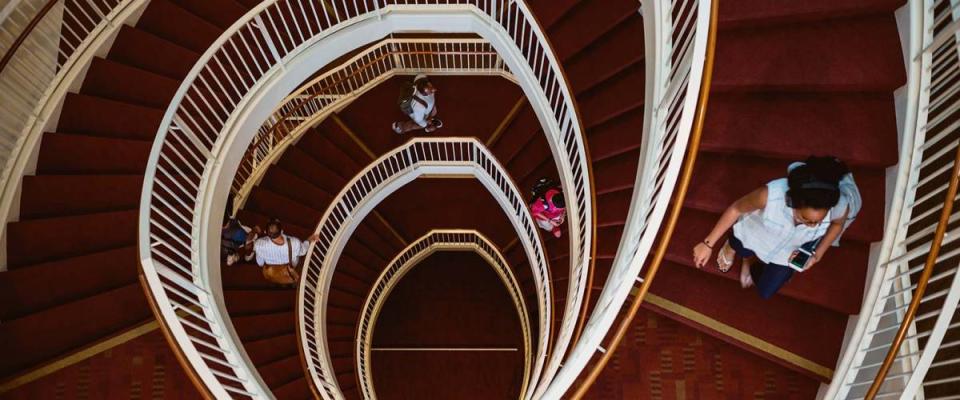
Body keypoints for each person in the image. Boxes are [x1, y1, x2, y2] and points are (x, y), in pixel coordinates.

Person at [691, 156, 861, 299]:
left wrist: (817, 255)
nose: (813, 225)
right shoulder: (770, 195)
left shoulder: (838, 206)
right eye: (806, 219)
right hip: (755, 233)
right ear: (793, 201)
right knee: (741, 246)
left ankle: (748, 258)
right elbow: (736, 208)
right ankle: (743, 255)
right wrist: (708, 244)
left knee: (766, 291)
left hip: (787, 251)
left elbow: (838, 224)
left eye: (819, 221)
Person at [254, 218, 320, 285]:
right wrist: (310, 239)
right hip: (290, 269)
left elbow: (260, 263)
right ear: (282, 231)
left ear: (265, 232)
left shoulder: (258, 245)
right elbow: (303, 251)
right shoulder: (294, 243)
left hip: (273, 272)